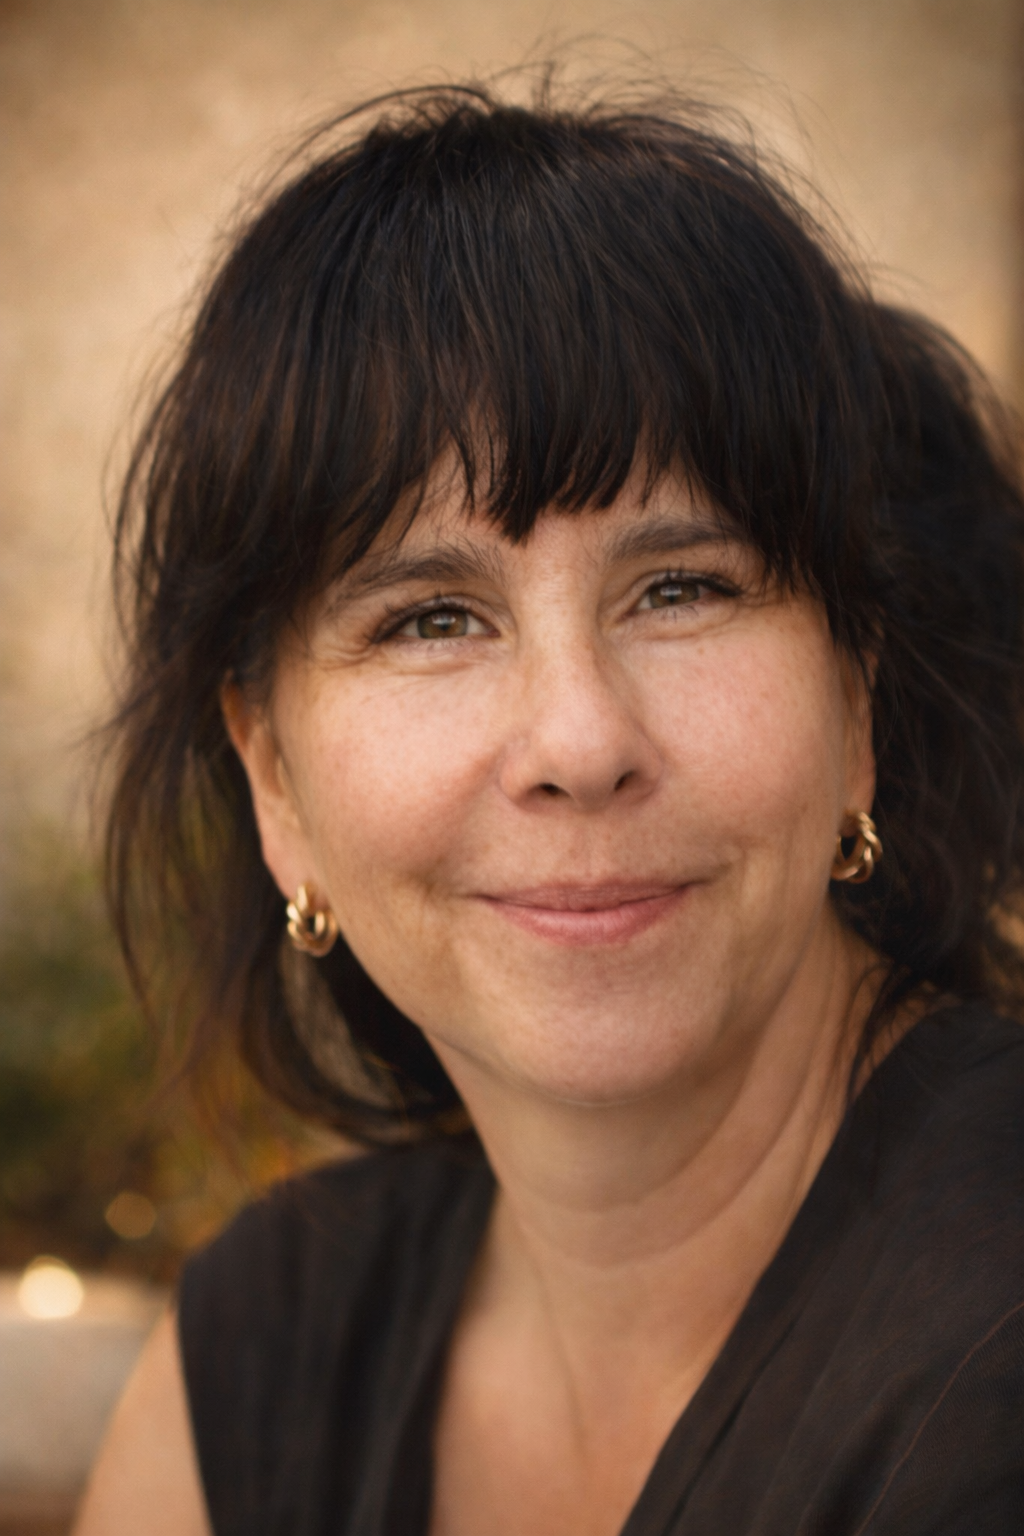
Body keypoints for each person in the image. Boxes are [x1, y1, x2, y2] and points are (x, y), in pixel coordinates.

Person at [74, 85, 1024, 1536]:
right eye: (430, 618)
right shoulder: (256, 1354)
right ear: (274, 781)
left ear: (856, 703)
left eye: (682, 587)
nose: (581, 742)